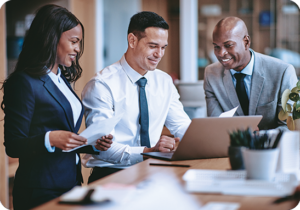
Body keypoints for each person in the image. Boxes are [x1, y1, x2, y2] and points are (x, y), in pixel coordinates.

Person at [1, 5, 112, 210]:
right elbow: (14, 145)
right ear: (52, 38)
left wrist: (93, 145)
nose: (78, 49)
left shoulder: (61, 81)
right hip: (40, 190)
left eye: (79, 43)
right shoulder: (24, 82)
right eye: (73, 41)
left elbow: (64, 139)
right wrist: (50, 138)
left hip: (71, 184)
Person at [81, 11, 191, 183]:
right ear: (132, 40)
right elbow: (103, 148)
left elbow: (181, 125)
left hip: (154, 172)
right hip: (111, 175)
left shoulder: (164, 81)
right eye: (153, 46)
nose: (159, 54)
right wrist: (149, 151)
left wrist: (204, 140)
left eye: (163, 47)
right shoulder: (102, 85)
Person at [204, 16, 298, 131]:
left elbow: (288, 127)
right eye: (216, 47)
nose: (221, 53)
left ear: (246, 42)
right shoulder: (211, 74)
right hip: (230, 147)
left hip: (271, 147)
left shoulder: (283, 72)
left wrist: (257, 138)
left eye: (228, 45)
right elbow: (216, 125)